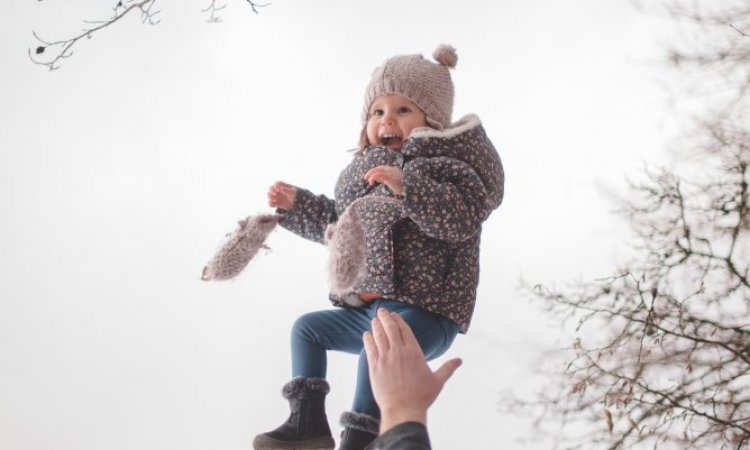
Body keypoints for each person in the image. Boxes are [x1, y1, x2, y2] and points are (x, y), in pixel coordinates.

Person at [252, 44, 504, 450]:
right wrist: (296, 205)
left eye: (403, 110)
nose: (387, 120)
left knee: (379, 342)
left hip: (428, 311)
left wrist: (409, 187)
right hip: (371, 308)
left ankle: (363, 436)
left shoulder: (448, 167)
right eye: (377, 112)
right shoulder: (360, 176)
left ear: (431, 120)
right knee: (308, 330)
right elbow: (337, 228)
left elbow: (459, 217)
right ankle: (307, 424)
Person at [363, 307, 462, 450]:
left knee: (368, 354)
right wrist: (403, 408)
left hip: (435, 315)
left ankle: (354, 438)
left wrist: (399, 408)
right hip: (377, 310)